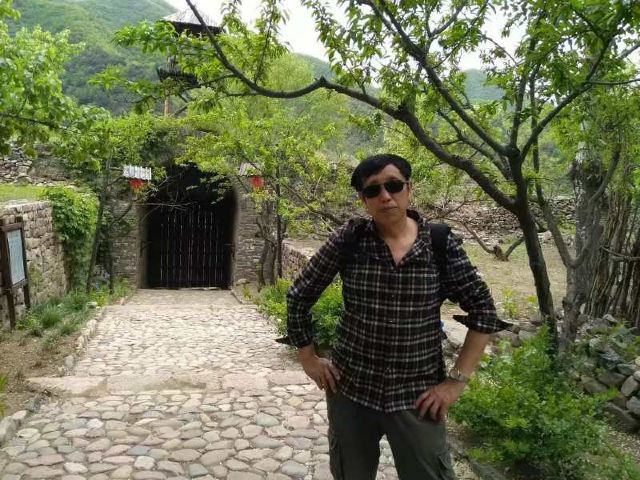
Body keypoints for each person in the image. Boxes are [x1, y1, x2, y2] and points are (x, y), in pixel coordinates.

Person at [286, 153, 509, 480]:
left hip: (418, 395)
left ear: (409, 189)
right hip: (352, 390)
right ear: (363, 200)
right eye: (373, 190)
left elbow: (484, 312)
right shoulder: (350, 240)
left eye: (393, 185)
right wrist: (308, 358)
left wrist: (455, 382)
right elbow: (299, 295)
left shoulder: (438, 243)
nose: (385, 196)